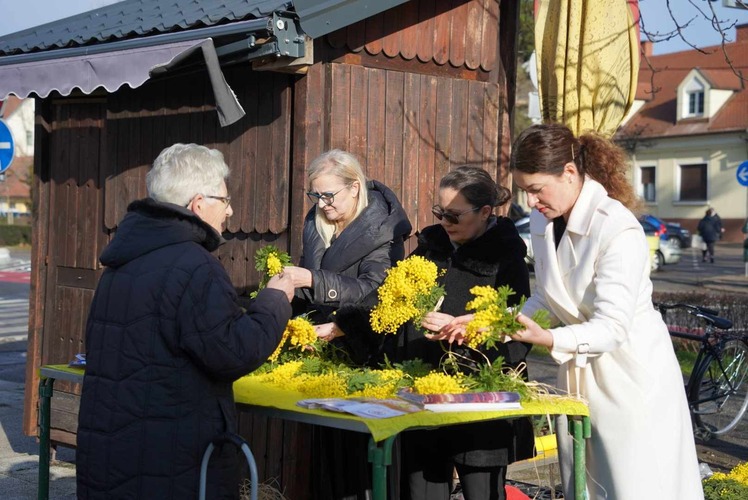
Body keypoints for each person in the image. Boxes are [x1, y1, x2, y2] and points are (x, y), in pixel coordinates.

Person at [442, 124, 703, 499]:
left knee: (635, 485)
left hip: (630, 379)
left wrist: (547, 337)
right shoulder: (543, 218)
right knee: (584, 485)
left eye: (535, 189)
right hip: (580, 376)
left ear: (568, 173)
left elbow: (612, 327)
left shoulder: (618, 228)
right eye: (525, 191)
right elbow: (549, 296)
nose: (530, 202)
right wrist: (492, 323)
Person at [76, 143, 295, 499]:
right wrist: (274, 299)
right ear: (198, 204)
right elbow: (233, 352)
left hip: (115, 454)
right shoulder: (195, 266)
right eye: (224, 200)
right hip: (171, 460)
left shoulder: (122, 263)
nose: (230, 210)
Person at [335, 166, 535, 500]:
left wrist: (461, 329)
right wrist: (344, 324)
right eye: (439, 213)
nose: (445, 222)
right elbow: (389, 294)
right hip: (423, 394)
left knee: (482, 491)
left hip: (478, 402)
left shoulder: (506, 257)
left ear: (485, 212)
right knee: (422, 491)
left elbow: (515, 323)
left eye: (454, 215)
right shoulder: (432, 246)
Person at [281, 149, 412, 500]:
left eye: (328, 195)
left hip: (364, 354)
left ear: (355, 188)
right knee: (329, 463)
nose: (322, 204)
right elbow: (308, 288)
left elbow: (374, 291)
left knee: (362, 468)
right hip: (322, 353)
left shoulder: (382, 230)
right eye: (316, 195)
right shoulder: (318, 223)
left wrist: (312, 279)